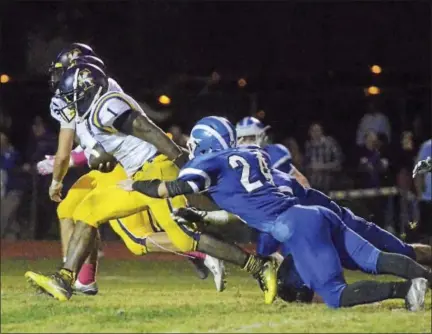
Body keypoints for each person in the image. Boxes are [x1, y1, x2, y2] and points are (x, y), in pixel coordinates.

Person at [25, 63, 277, 303]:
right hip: (137, 174)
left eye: (72, 96)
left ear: (86, 91)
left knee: (185, 238)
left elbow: (151, 132)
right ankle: (65, 280)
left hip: (157, 169)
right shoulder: (94, 112)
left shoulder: (107, 107)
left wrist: (186, 166)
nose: (69, 103)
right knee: (88, 212)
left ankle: (258, 265)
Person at [122, 116, 431, 310]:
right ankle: (424, 279)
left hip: (297, 226)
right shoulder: (255, 153)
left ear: (202, 144)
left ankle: (406, 290)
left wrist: (135, 185)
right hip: (316, 213)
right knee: (375, 260)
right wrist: (202, 217)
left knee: (335, 295)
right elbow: (242, 208)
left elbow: (169, 190)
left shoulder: (207, 164)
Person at [42, 43, 221, 294]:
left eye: (65, 71)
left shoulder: (95, 96)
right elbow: (91, 147)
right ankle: (76, 278)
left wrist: (61, 174)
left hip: (129, 169)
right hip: (118, 168)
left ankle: (207, 250)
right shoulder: (87, 93)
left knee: (138, 239)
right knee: (71, 209)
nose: (60, 78)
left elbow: (104, 145)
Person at [413, 139, 432, 240]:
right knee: (428, 235)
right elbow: (419, 172)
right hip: (429, 198)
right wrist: (420, 196)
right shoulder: (429, 146)